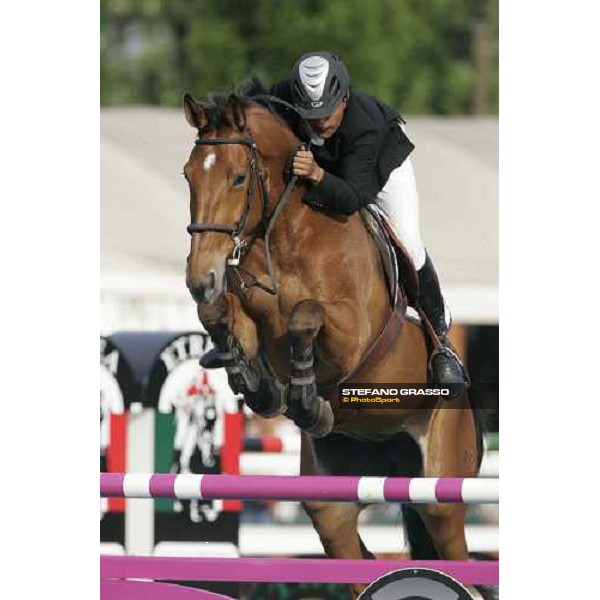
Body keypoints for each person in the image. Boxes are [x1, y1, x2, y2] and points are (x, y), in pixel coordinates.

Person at [270, 51, 466, 386]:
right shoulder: (285, 95)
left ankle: (442, 345)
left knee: (410, 245)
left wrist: (316, 173)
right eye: (310, 114)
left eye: (327, 112)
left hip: (381, 174)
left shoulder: (366, 128)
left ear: (344, 98)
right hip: (331, 170)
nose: (319, 122)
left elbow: (352, 199)